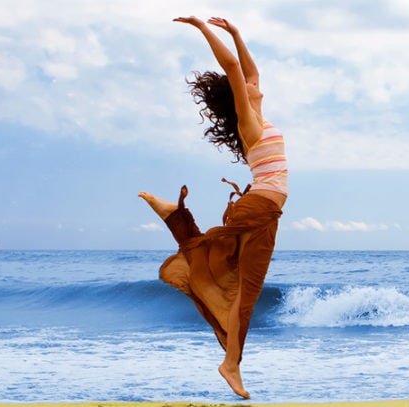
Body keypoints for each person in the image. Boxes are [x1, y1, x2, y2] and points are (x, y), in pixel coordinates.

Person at [138, 16, 287, 399]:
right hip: (261, 210)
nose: (256, 87)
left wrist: (236, 34)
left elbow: (249, 70)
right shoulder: (249, 123)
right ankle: (231, 365)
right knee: (245, 291)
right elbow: (236, 69)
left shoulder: (259, 116)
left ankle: (173, 215)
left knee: (231, 275)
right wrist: (204, 29)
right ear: (241, 97)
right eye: (250, 89)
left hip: (261, 210)